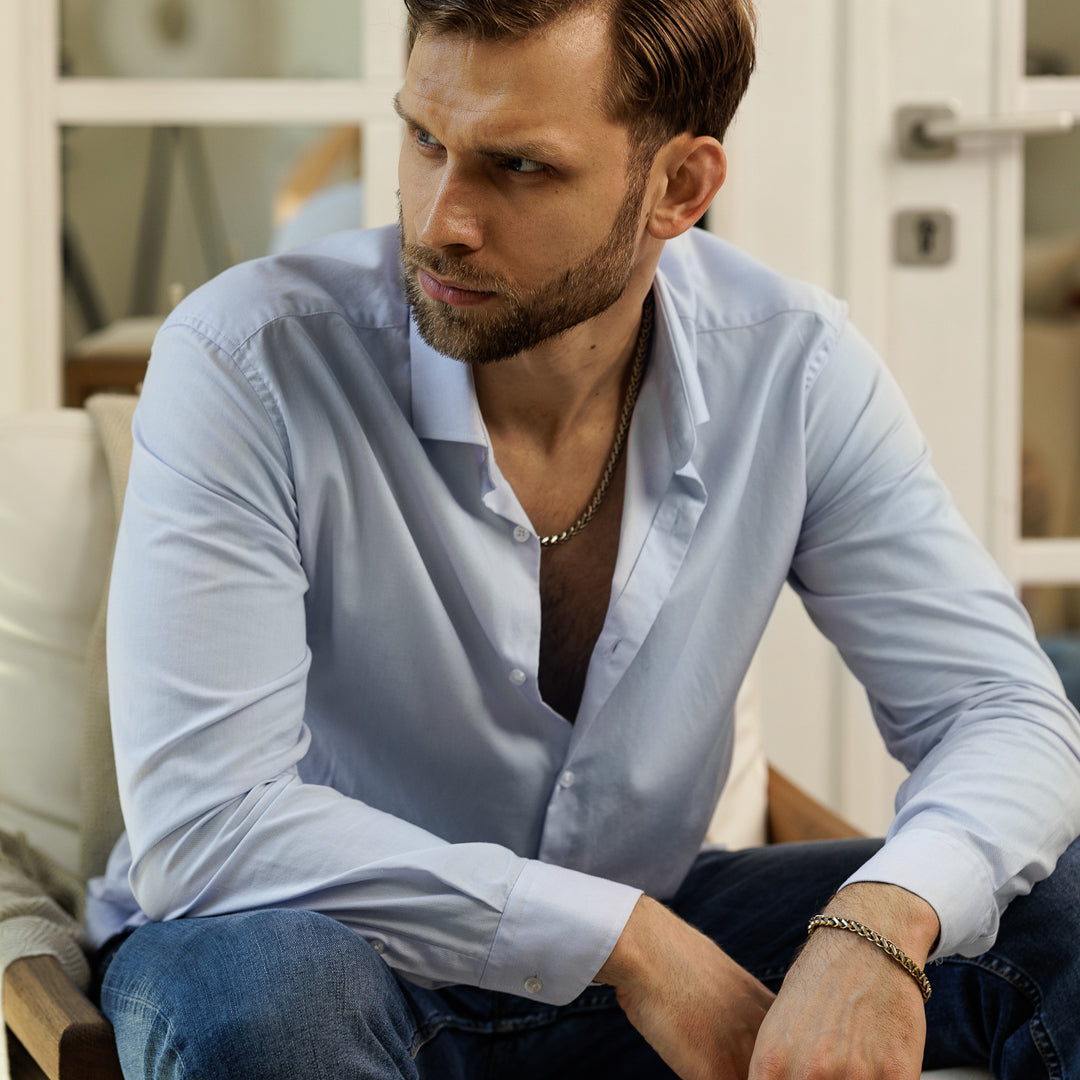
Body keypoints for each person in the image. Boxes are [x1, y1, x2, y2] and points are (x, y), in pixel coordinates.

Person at [88, 0, 1080, 1077]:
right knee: (260, 1000)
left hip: (663, 924)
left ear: (680, 189)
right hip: (311, 942)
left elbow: (1003, 709)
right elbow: (208, 826)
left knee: (1058, 899)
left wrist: (882, 919)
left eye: (519, 167)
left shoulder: (791, 370)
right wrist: (626, 944)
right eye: (425, 140)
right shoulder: (247, 362)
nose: (441, 219)